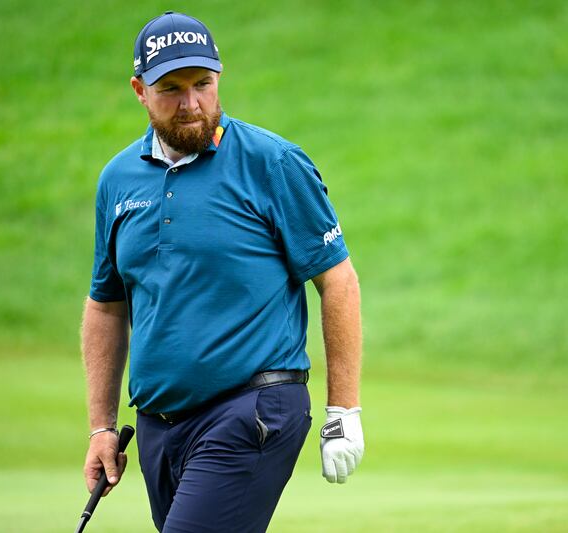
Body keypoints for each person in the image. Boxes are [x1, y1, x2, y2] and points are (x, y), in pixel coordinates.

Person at [81, 11, 364, 532]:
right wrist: (101, 426)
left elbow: (337, 279)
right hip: (159, 426)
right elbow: (106, 304)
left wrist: (343, 412)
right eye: (171, 89)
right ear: (140, 91)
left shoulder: (272, 163)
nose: (191, 103)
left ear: (219, 78)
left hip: (253, 409)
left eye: (202, 84)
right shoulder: (117, 180)